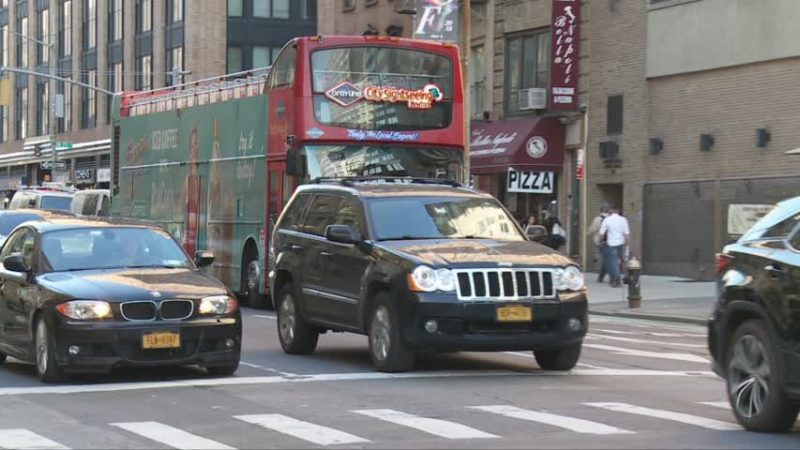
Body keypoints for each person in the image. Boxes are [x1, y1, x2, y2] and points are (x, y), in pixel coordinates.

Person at [598, 206, 630, 287]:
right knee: (621, 261)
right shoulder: (623, 220)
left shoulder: (607, 220)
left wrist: (600, 241)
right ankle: (623, 276)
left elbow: (601, 233)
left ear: (611, 210)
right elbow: (626, 234)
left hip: (611, 244)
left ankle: (617, 278)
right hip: (621, 243)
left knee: (613, 262)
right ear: (618, 211)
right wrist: (627, 244)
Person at [587, 203, 611, 282]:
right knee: (607, 258)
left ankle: (609, 276)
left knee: (606, 259)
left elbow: (593, 229)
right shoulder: (611, 218)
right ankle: (603, 276)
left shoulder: (598, 219)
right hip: (612, 242)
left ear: (600, 210)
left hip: (601, 242)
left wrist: (586, 234)